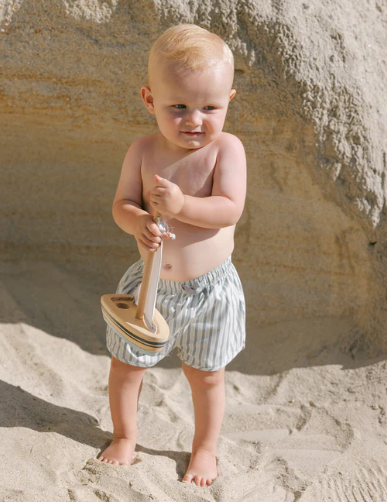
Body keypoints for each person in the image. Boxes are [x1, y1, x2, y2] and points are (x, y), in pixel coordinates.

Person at [97, 23, 247, 487]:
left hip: (210, 291)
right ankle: (125, 436)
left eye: (210, 107)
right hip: (150, 282)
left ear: (229, 101)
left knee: (205, 376)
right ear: (149, 100)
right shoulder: (143, 151)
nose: (194, 119)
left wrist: (184, 206)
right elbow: (122, 203)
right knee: (126, 366)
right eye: (177, 106)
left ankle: (204, 450)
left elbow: (229, 209)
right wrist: (136, 221)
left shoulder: (227, 149)